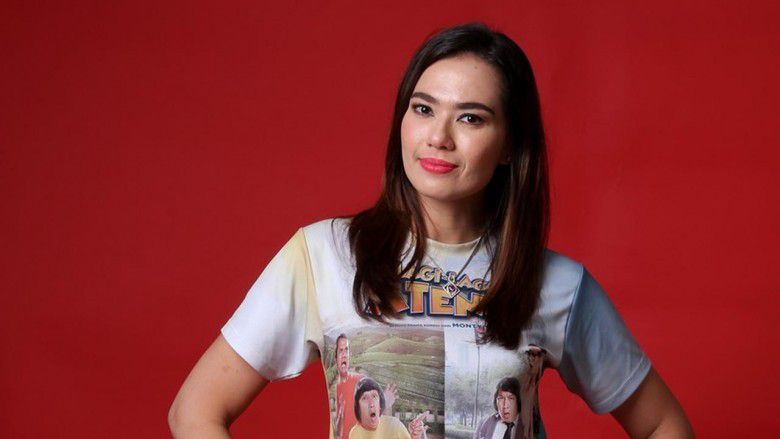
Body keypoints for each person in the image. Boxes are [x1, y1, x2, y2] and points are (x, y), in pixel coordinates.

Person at [168, 22, 694, 438]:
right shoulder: (322, 254)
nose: (438, 136)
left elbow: (663, 425)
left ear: (510, 145)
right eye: (423, 109)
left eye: (471, 118)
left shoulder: (555, 283)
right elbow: (195, 411)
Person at [334, 334, 397, 439]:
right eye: (341, 351)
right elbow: (340, 420)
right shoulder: (338, 386)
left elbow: (375, 415)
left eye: (346, 350)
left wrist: (384, 402)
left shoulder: (361, 381)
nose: (344, 354)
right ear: (336, 358)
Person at [348, 378, 427, 439]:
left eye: (374, 396)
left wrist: (415, 436)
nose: (371, 403)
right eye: (364, 398)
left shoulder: (395, 425)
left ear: (379, 405)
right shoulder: (355, 433)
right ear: (359, 409)